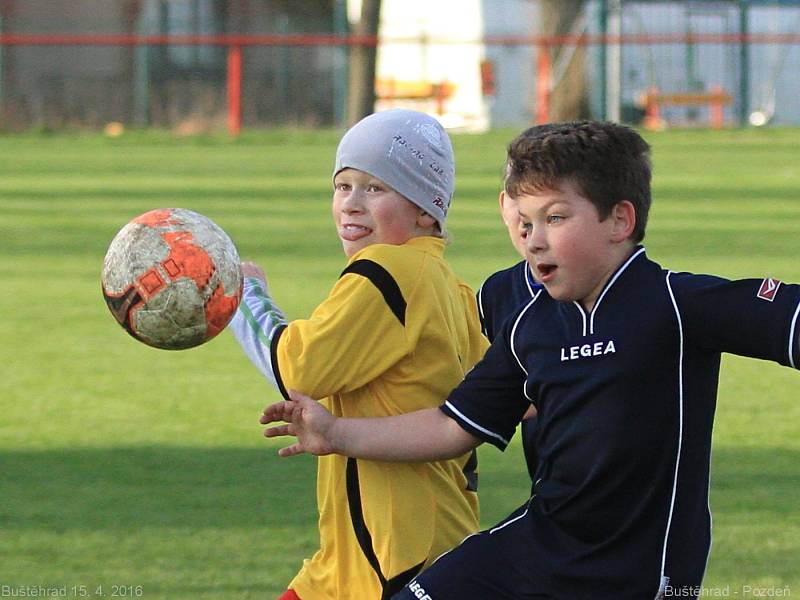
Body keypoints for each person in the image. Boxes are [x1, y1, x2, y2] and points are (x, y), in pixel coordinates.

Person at [259, 121, 800, 599]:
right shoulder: (522, 311)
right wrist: (336, 434)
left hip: (642, 572)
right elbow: (454, 424)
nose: (534, 241)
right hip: (538, 543)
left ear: (620, 220)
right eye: (525, 221)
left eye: (556, 218)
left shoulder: (679, 306)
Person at [228, 109, 487, 600]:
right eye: (343, 186)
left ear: (426, 210)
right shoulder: (453, 290)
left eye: (375, 188)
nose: (350, 204)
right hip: (364, 559)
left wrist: (242, 297)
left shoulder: (388, 269)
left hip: (395, 561)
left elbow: (297, 367)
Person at [477, 160, 543, 484]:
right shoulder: (495, 292)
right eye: (519, 199)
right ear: (504, 205)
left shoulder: (613, 293)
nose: (528, 216)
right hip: (549, 493)